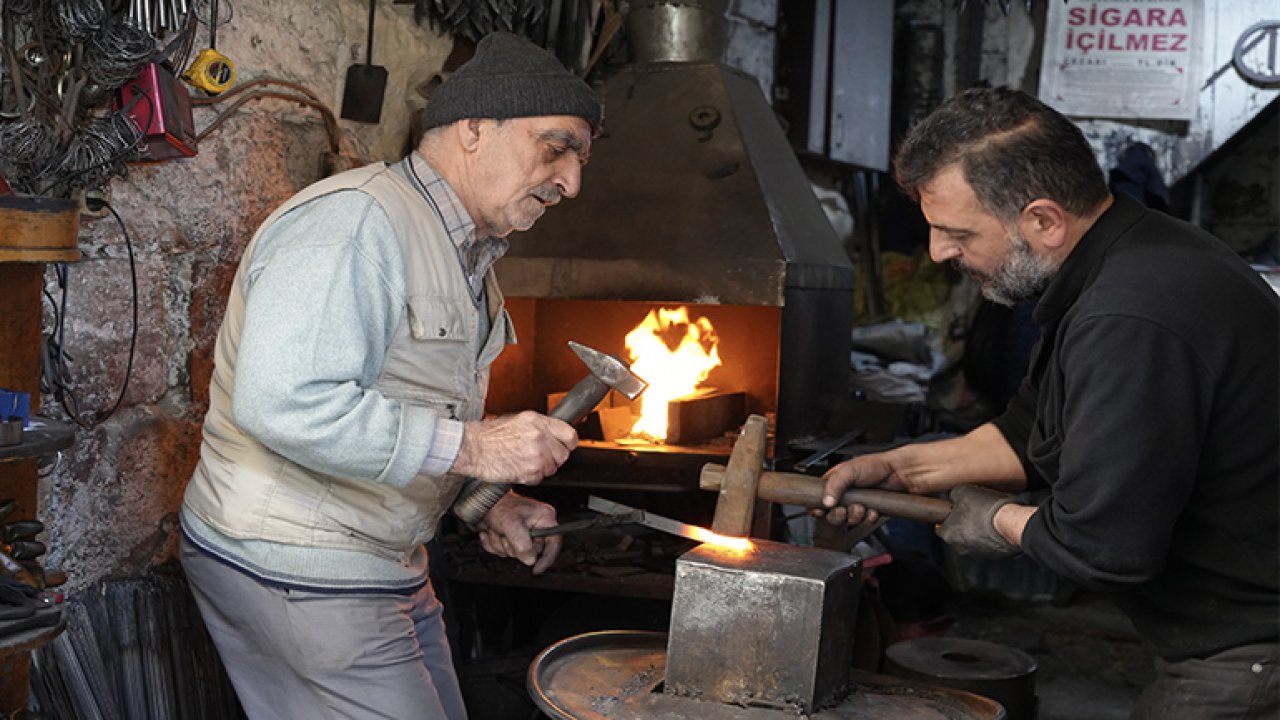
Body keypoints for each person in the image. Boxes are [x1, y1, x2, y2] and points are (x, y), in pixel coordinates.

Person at [179, 32, 602, 719]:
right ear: (472, 130)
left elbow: (410, 398)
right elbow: (285, 402)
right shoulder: (355, 222)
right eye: (555, 149)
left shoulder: (464, 251)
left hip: (382, 562)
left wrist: (486, 499)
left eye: (581, 161)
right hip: (295, 563)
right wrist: (480, 447)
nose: (571, 183)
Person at [819, 86, 1278, 719]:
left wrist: (997, 521)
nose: (938, 253)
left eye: (956, 232)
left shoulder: (1129, 316)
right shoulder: (1124, 259)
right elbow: (1032, 429)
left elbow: (1105, 546)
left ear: (1042, 220)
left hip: (1256, 646)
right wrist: (902, 468)